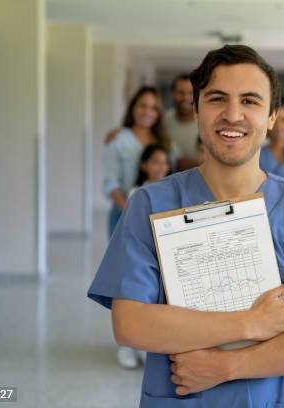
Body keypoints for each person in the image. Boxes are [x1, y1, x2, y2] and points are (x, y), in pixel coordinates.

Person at [88, 44, 284, 408]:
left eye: (250, 101)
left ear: (271, 116)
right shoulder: (150, 205)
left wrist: (228, 365)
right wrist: (250, 324)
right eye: (218, 99)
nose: (232, 115)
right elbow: (130, 324)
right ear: (196, 109)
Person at [102, 86, 174, 369]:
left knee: (152, 285)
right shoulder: (118, 140)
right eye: (142, 105)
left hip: (159, 220)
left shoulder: (163, 141)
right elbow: (110, 182)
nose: (148, 112)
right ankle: (125, 344)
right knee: (126, 284)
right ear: (133, 107)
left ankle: (144, 340)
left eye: (154, 107)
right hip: (125, 216)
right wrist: (132, 214)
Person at [164, 74, 199, 170]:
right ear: (172, 94)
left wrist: (193, 165)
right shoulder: (163, 119)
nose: (185, 97)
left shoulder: (206, 121)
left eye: (190, 93)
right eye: (180, 92)